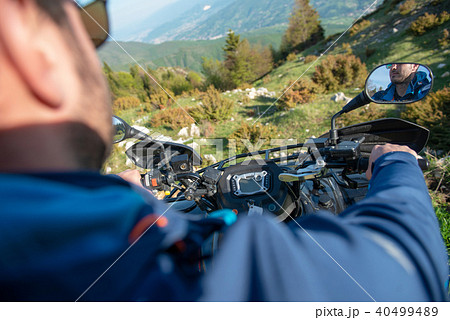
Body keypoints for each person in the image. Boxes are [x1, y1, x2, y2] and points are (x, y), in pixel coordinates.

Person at [0, 0, 447, 302]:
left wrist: (104, 203)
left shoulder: (45, 247)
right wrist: (398, 164)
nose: (96, 48)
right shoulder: (164, 270)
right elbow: (403, 277)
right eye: (89, 27)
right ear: (30, 42)